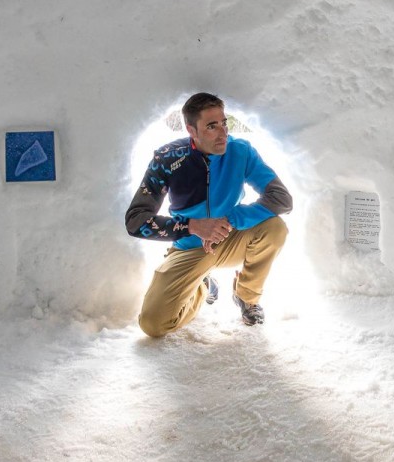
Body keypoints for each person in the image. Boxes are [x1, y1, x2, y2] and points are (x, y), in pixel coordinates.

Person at [125, 92, 292, 337]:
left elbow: (282, 199)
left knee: (275, 228)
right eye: (212, 126)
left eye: (224, 123)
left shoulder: (240, 151)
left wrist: (229, 220)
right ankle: (201, 288)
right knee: (153, 325)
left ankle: (246, 297)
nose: (223, 133)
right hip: (190, 248)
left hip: (232, 237)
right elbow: (135, 220)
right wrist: (192, 226)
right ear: (191, 130)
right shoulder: (167, 158)